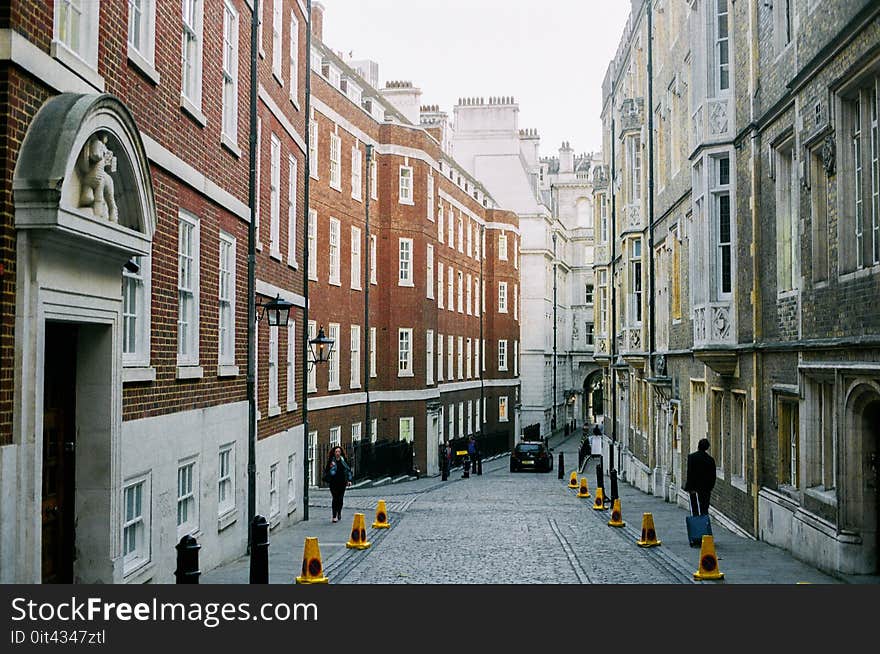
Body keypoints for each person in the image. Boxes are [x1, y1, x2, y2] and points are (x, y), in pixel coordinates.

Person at [684, 438, 716, 516]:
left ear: (698, 446)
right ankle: (704, 525)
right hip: (705, 489)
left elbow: (690, 473)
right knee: (704, 509)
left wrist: (689, 487)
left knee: (695, 509)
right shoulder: (710, 460)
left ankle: (696, 526)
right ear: (707, 447)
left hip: (694, 489)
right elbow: (713, 476)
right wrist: (710, 488)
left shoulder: (692, 457)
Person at [323, 446, 353, 523]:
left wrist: (349, 480)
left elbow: (348, 470)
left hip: (342, 482)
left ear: (341, 453)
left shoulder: (344, 460)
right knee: (335, 498)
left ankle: (339, 512)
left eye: (339, 452)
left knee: (340, 499)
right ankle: (334, 516)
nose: (337, 453)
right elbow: (326, 471)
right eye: (336, 452)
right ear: (334, 453)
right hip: (333, 483)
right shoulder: (331, 461)